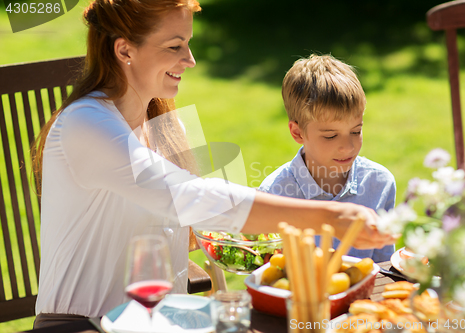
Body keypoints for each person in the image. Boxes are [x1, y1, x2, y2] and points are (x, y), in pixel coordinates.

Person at [31, 0, 395, 328]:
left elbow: (199, 224)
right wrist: (328, 216)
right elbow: (191, 196)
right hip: (81, 324)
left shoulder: (166, 125)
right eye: (175, 46)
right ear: (124, 49)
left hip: (161, 321)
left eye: (188, 44)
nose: (190, 60)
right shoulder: (85, 124)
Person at [259, 54, 396, 262]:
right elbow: (269, 274)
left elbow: (384, 265)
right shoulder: (273, 195)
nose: (348, 147)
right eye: (330, 136)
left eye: (356, 131)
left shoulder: (380, 183)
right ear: (297, 133)